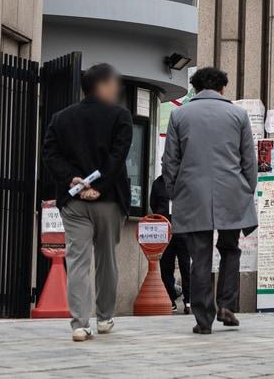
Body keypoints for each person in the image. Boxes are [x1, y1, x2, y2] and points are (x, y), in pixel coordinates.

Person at [162, 66, 258, 335]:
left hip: (192, 193)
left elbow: (170, 160)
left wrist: (174, 190)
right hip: (232, 192)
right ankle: (226, 304)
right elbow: (248, 159)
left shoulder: (179, 114)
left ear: (195, 87)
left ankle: (203, 318)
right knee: (230, 249)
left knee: (199, 256)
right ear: (223, 88)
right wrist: (247, 189)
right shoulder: (238, 115)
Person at [41, 63, 133, 342]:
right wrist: (100, 187)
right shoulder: (121, 116)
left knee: (78, 260)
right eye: (114, 83)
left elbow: (50, 153)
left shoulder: (61, 118)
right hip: (109, 201)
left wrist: (73, 181)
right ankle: (104, 318)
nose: (116, 88)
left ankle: (79, 324)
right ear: (103, 85)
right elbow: (118, 157)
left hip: (74, 202)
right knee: (107, 259)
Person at [149, 173, 191, 313]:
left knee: (185, 266)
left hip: (183, 229)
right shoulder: (158, 183)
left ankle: (188, 300)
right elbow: (153, 204)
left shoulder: (185, 181)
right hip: (165, 231)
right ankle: (171, 299)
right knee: (166, 266)